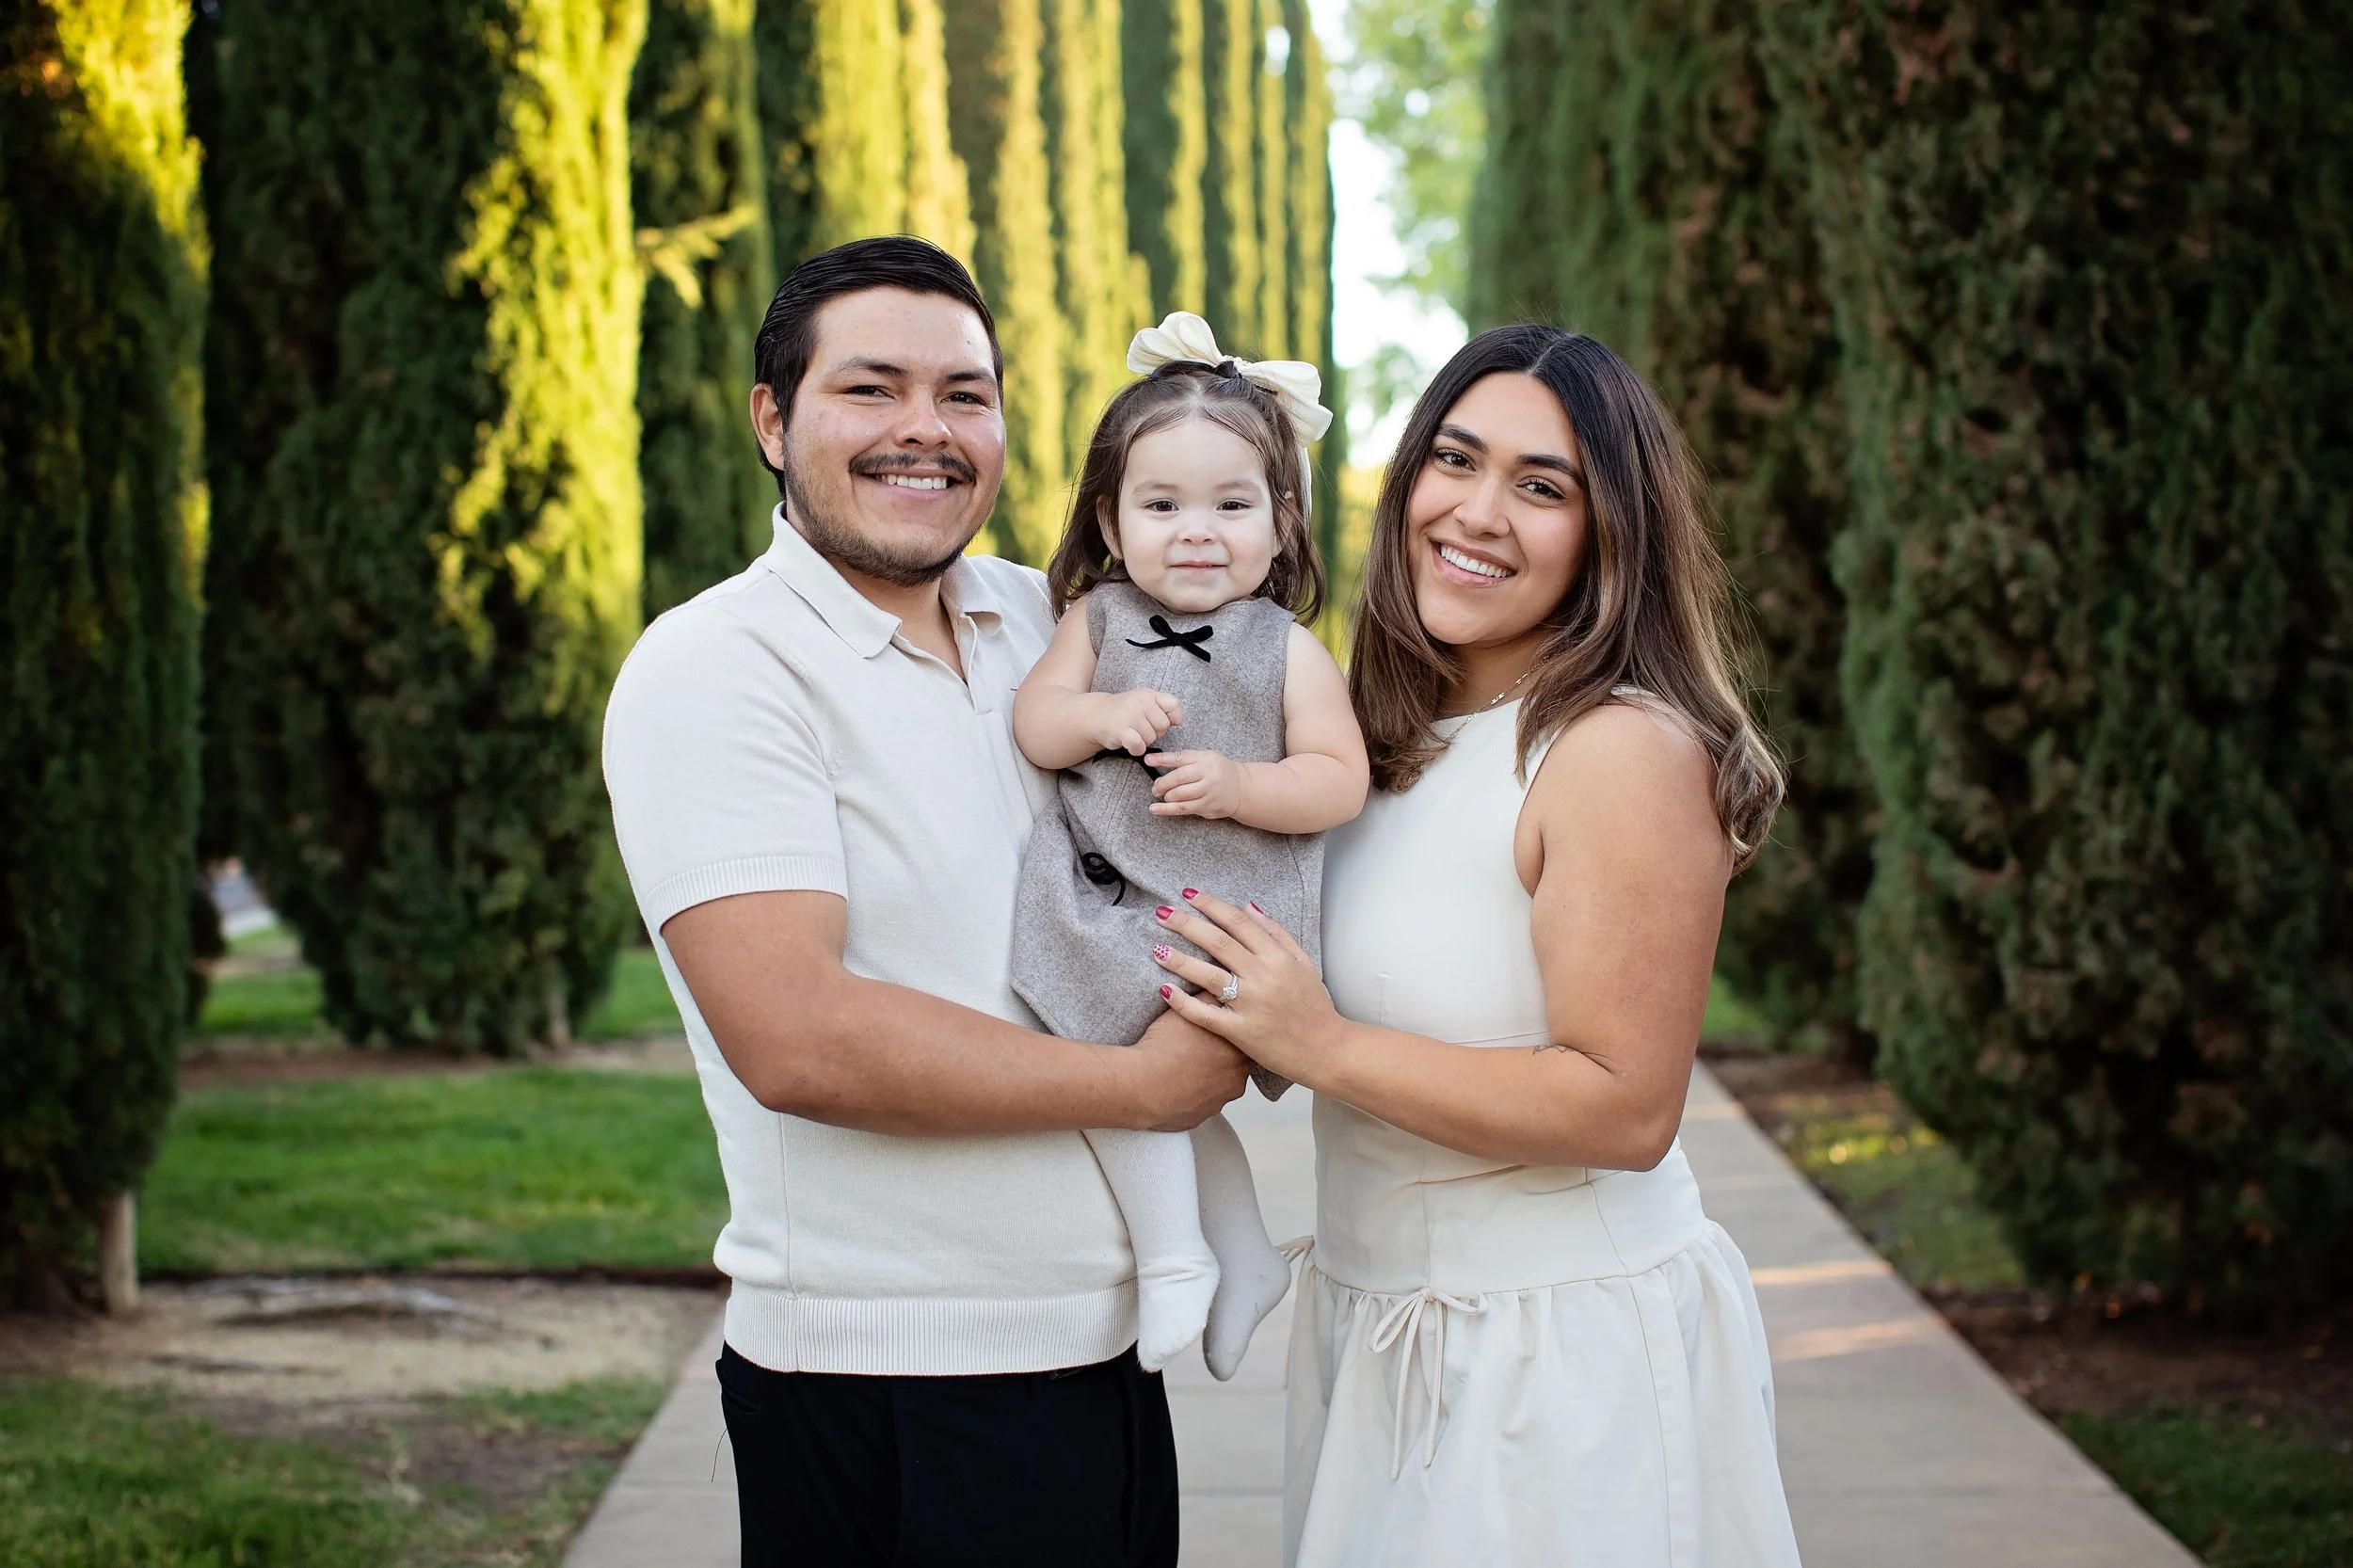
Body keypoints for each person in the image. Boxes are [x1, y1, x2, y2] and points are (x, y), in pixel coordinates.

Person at [601, 236, 1250, 1568]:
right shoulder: (715, 668)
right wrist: (1140, 1087)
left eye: (966, 393)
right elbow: (796, 1034)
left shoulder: (1048, 622)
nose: (926, 429)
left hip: (1104, 1364)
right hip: (885, 1392)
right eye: (872, 388)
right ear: (773, 421)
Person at [1148, 325, 1805, 1565]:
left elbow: (1624, 1106)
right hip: (1380, 1330)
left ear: (1613, 533)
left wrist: (1323, 1041)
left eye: (1542, 486)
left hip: (1554, 1362)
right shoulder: (1383, 739)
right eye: (1455, 459)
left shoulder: (1616, 750)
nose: (1479, 512)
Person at [1010, 312, 1369, 1382]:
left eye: (1230, 504)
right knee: (1119, 1072)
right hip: (1113, 899)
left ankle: (1178, 1261)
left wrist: (1245, 784)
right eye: (1160, 505)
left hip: (1225, 913)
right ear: (1112, 526)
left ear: (1278, 524)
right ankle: (1230, 1253)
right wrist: (1098, 721)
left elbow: (1338, 779)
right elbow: (1037, 722)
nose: (1196, 530)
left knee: (1133, 1072)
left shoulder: (1285, 648)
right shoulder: (1097, 624)